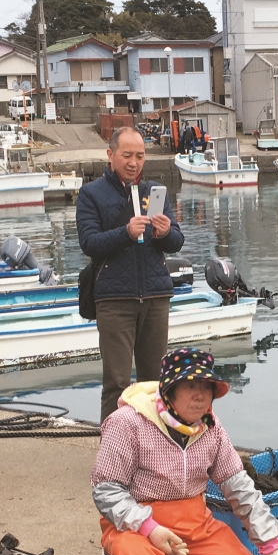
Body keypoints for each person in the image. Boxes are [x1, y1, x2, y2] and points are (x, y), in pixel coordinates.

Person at [92, 348, 278, 555]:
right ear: (169, 391)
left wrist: (270, 548)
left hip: (195, 524)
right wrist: (149, 527)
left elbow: (240, 487)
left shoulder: (211, 427)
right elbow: (106, 491)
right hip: (134, 525)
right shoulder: (127, 423)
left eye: (206, 387)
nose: (200, 396)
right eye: (190, 386)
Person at [77, 127, 184, 420]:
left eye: (139, 155)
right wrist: (125, 233)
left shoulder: (154, 192)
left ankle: (154, 449)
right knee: (117, 384)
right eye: (127, 155)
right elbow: (89, 243)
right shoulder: (91, 194)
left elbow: (176, 241)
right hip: (114, 298)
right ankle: (113, 453)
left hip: (156, 295)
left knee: (155, 383)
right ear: (111, 155)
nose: (133, 162)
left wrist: (164, 233)